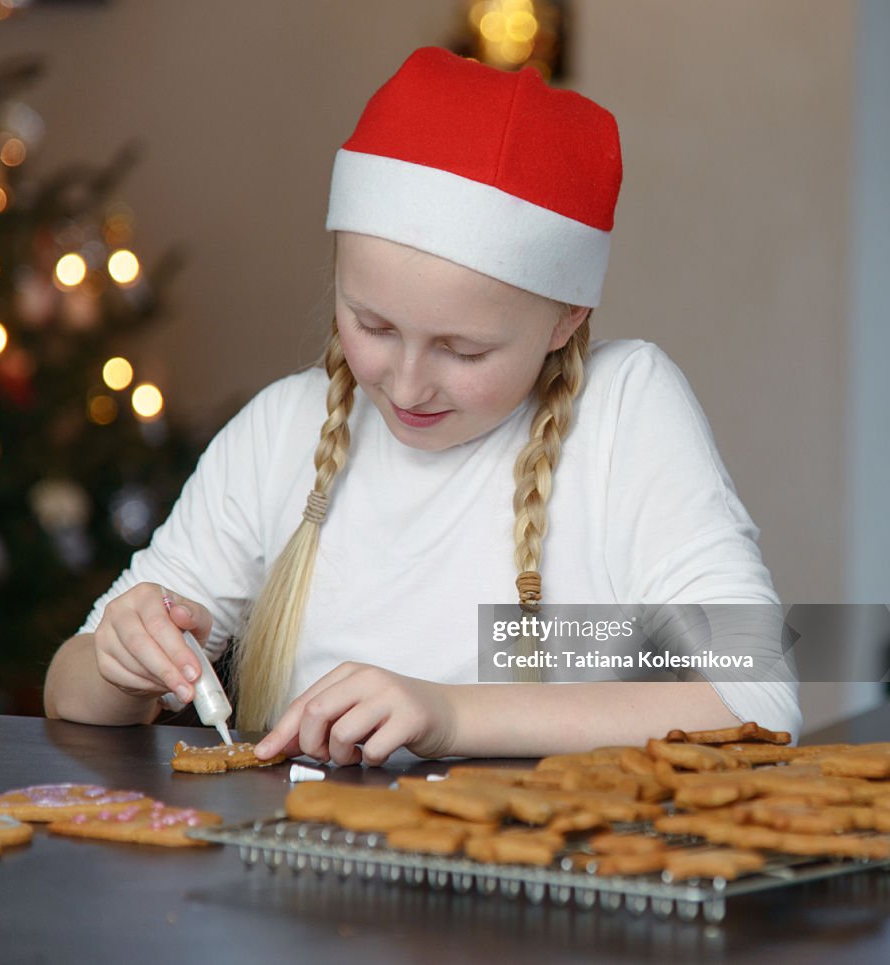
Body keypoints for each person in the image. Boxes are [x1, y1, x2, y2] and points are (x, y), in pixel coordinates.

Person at [43, 47, 801, 762]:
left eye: (463, 351)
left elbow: (757, 697)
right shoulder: (280, 434)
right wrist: (120, 659)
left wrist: (452, 713)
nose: (405, 386)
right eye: (371, 324)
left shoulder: (625, 413)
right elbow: (69, 690)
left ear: (566, 318)